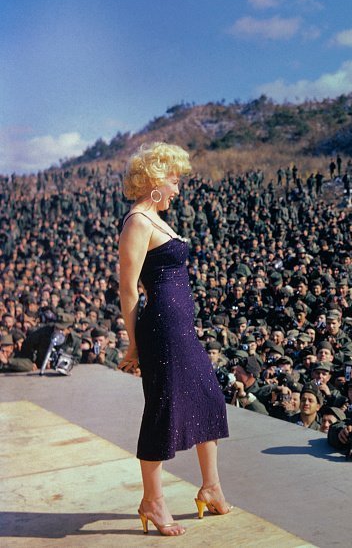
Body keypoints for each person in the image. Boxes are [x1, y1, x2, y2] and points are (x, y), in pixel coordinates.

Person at [118, 142, 230, 535]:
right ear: (154, 180)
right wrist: (134, 345)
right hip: (162, 330)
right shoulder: (137, 222)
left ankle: (211, 487)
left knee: (209, 399)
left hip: (180, 327)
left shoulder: (155, 219)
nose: (178, 189)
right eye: (174, 180)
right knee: (162, 410)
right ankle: (153, 500)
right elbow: (129, 290)